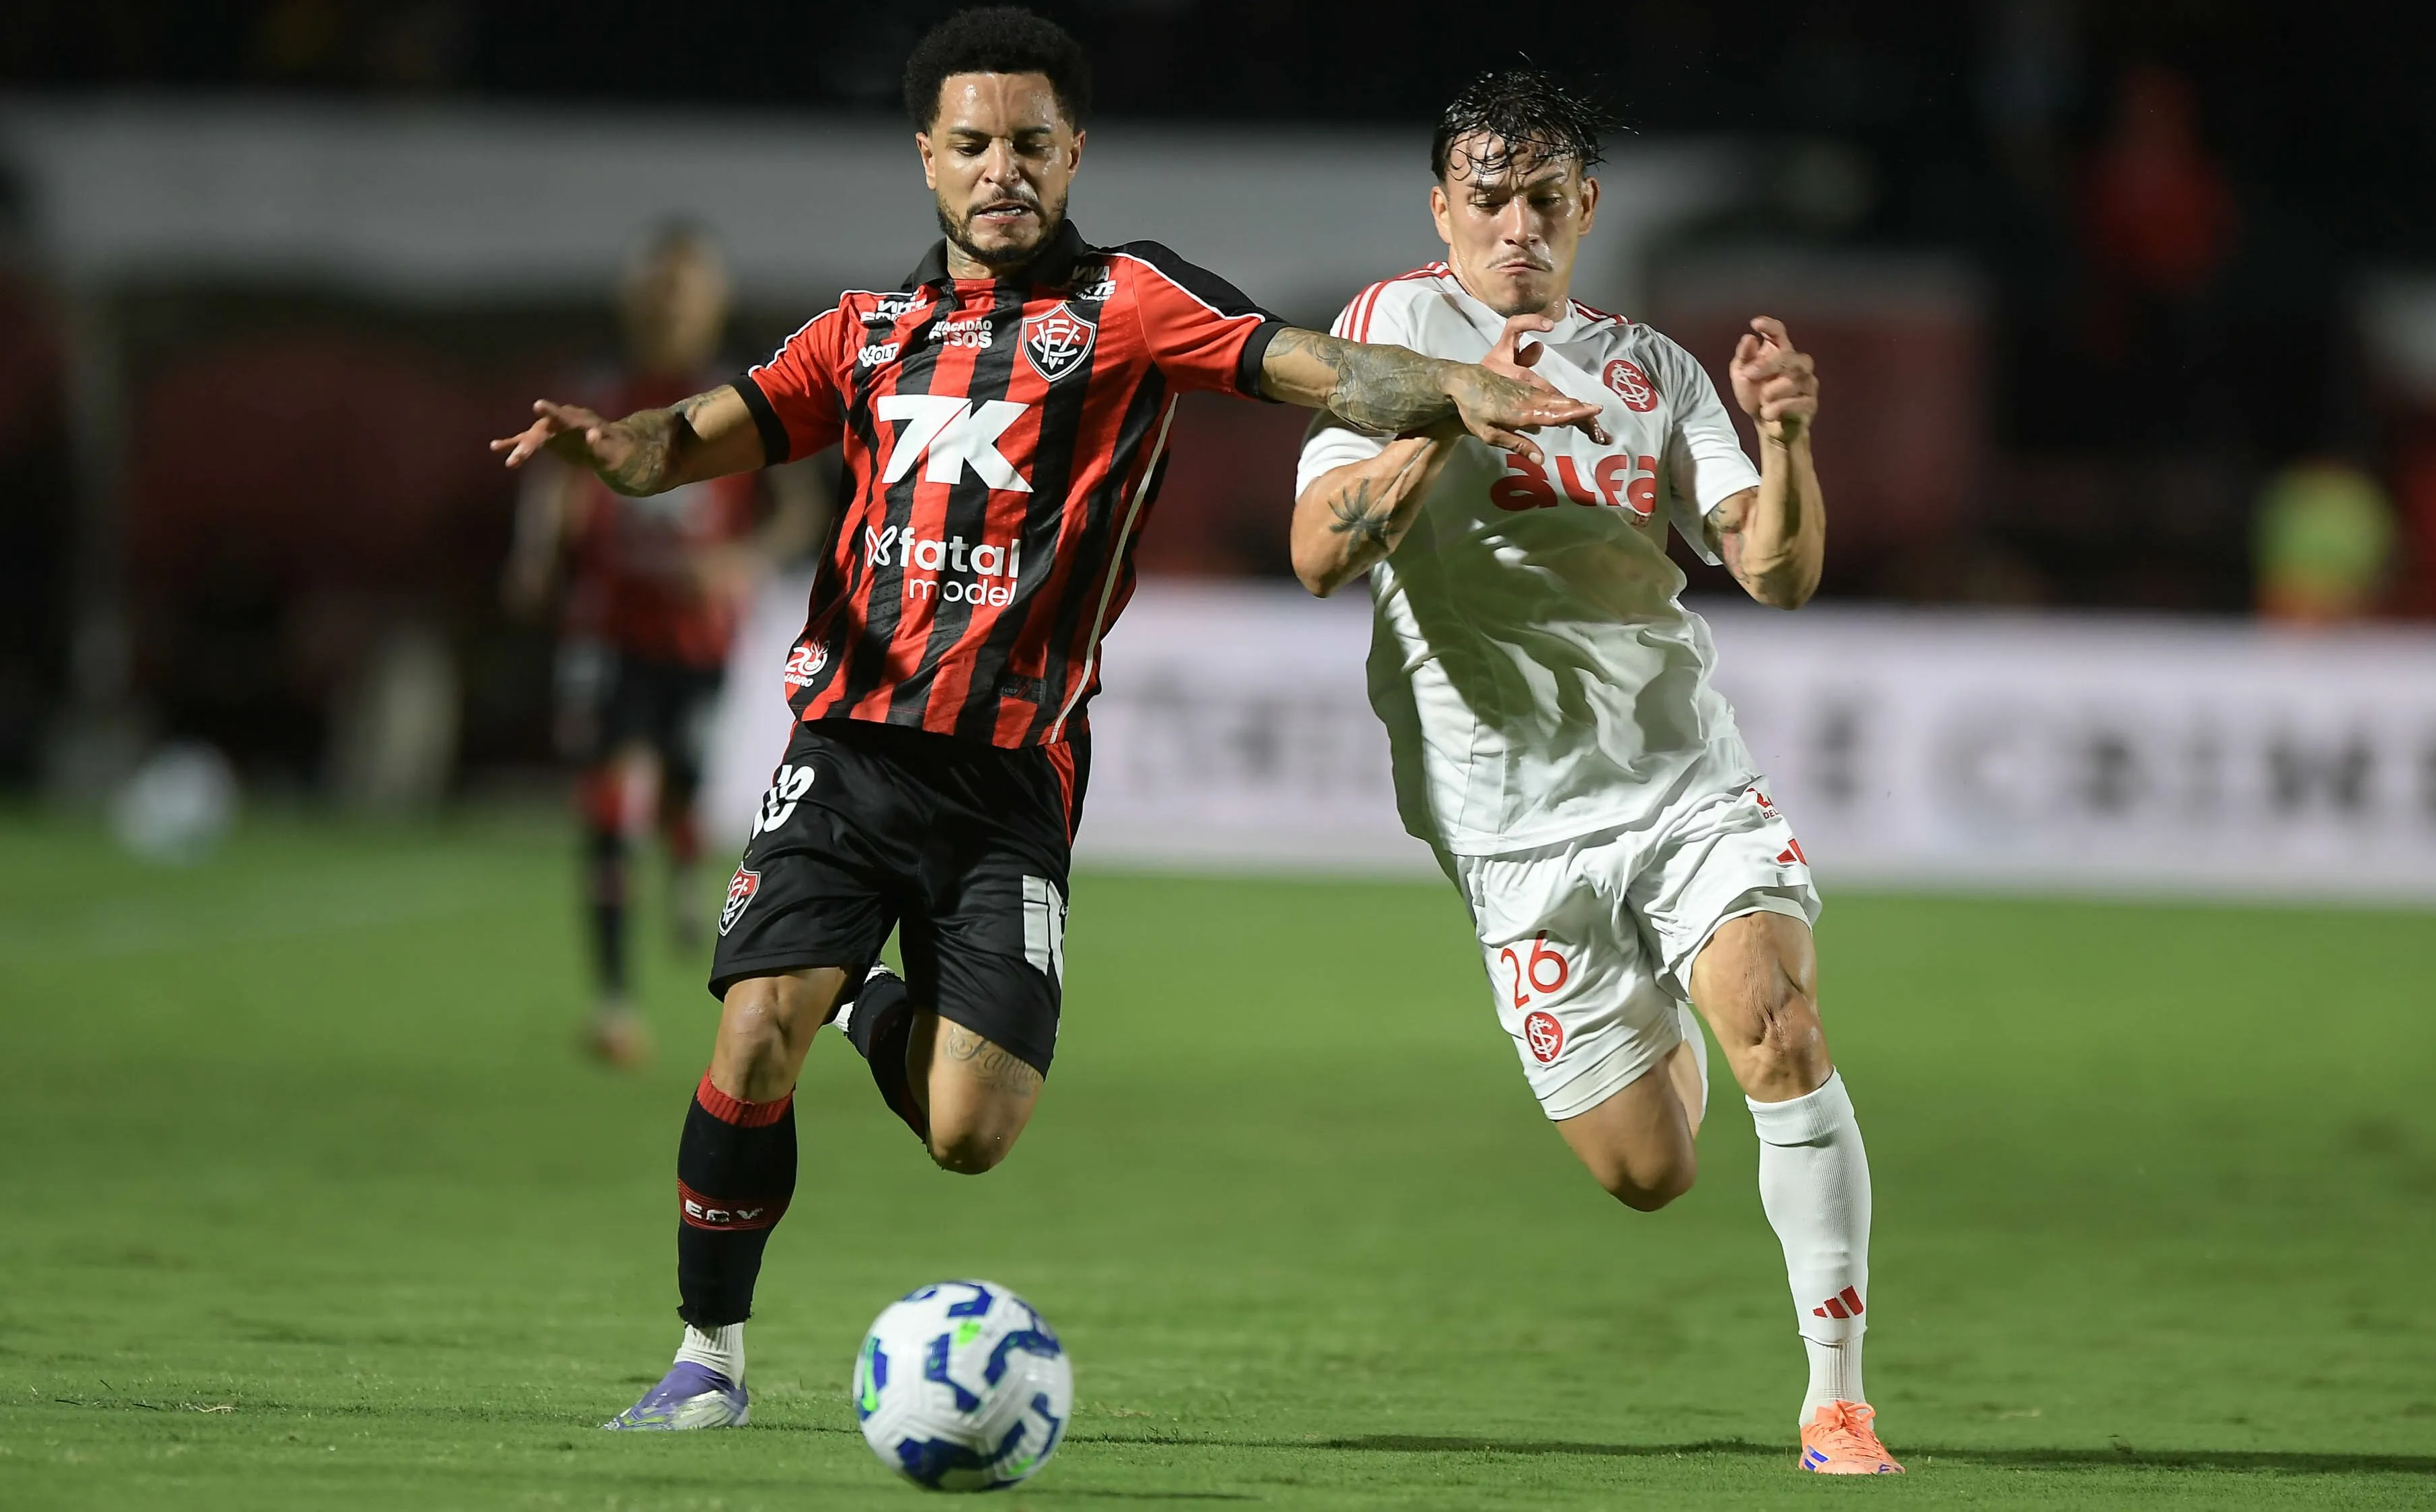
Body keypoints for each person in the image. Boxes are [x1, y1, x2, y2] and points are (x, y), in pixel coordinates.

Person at [489, 7, 1605, 1432]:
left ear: (1072, 150)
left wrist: (1451, 391)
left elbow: (1312, 365)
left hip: (1012, 780)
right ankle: (708, 1359)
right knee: (752, 1028)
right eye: (970, 144)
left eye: (1027, 142)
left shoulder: (1128, 306)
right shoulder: (862, 333)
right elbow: (685, 441)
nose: (999, 168)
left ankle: (858, 1009)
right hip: (846, 747)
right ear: (927, 158)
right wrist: (605, 455)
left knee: (970, 1133)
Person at [1289, 70, 1896, 1476]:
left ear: (1585, 211)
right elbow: (1319, 553)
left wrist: (1788, 443)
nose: (1516, 229)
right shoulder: (1389, 334)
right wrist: (1448, 415)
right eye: (1488, 199)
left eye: (1544, 202)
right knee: (1646, 1172)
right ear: (1441, 207)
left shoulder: (1652, 371)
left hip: (1680, 780)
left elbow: (1775, 572)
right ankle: (1657, 1023)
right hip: (1509, 828)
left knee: (1781, 1027)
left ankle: (1836, 1400)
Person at [503, 224, 821, 1066]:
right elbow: (558, 472)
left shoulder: (741, 396)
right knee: (606, 802)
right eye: (656, 287)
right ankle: (612, 1003)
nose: (667, 303)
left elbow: (797, 510)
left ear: (711, 301)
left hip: (699, 636)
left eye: (684, 289)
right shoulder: (601, 387)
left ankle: (682, 870)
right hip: (608, 625)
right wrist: (538, 553)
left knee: (680, 787)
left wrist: (739, 562)